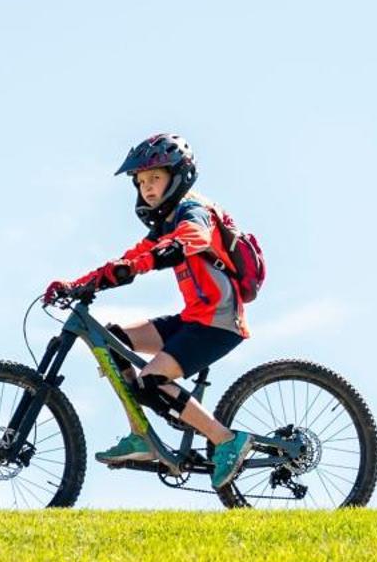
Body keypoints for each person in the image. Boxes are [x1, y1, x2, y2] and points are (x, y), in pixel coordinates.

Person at [43, 132, 255, 488]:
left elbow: (193, 239)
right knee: (111, 341)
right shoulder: (165, 224)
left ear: (178, 177)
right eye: (141, 182)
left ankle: (227, 441)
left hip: (219, 322)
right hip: (193, 319)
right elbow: (129, 259)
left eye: (155, 178)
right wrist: (79, 283)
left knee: (152, 380)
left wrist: (147, 261)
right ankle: (140, 435)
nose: (147, 188)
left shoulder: (193, 211)